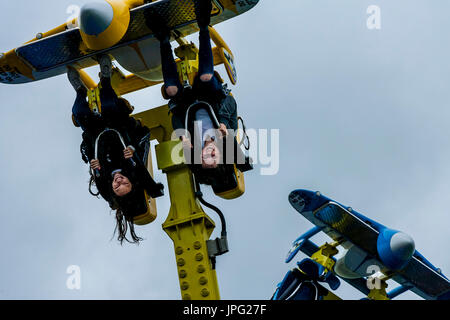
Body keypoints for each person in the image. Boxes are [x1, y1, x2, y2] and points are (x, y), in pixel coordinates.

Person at [68, 55, 164, 244]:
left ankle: (79, 89)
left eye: (116, 187)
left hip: (96, 131)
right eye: (124, 185)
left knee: (79, 112)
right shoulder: (133, 166)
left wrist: (90, 159)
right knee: (109, 104)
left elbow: (86, 148)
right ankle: (105, 76)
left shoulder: (102, 176)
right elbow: (144, 138)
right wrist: (131, 149)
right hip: (117, 124)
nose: (119, 181)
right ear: (131, 182)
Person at [146, 0, 239, 169]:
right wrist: (224, 122)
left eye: (205, 158)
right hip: (211, 94)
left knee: (171, 89)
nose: (209, 154)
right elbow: (231, 103)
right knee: (205, 76)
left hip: (189, 101)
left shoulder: (192, 140)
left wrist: (183, 137)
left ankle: (163, 38)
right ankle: (203, 24)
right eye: (214, 157)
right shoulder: (227, 135)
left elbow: (176, 117)